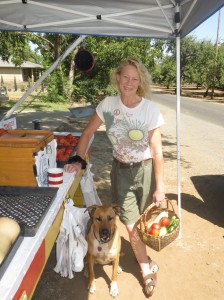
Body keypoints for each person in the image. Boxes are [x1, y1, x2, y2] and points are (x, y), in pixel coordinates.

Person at [64, 57, 165, 297]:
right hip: (120, 171)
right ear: (117, 78)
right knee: (130, 224)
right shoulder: (108, 106)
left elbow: (157, 150)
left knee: (142, 220)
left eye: (134, 79)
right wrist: (78, 160)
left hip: (146, 170)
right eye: (125, 77)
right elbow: (88, 133)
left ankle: (133, 248)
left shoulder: (149, 109)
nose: (129, 83)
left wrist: (160, 187)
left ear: (140, 82)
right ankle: (145, 269)